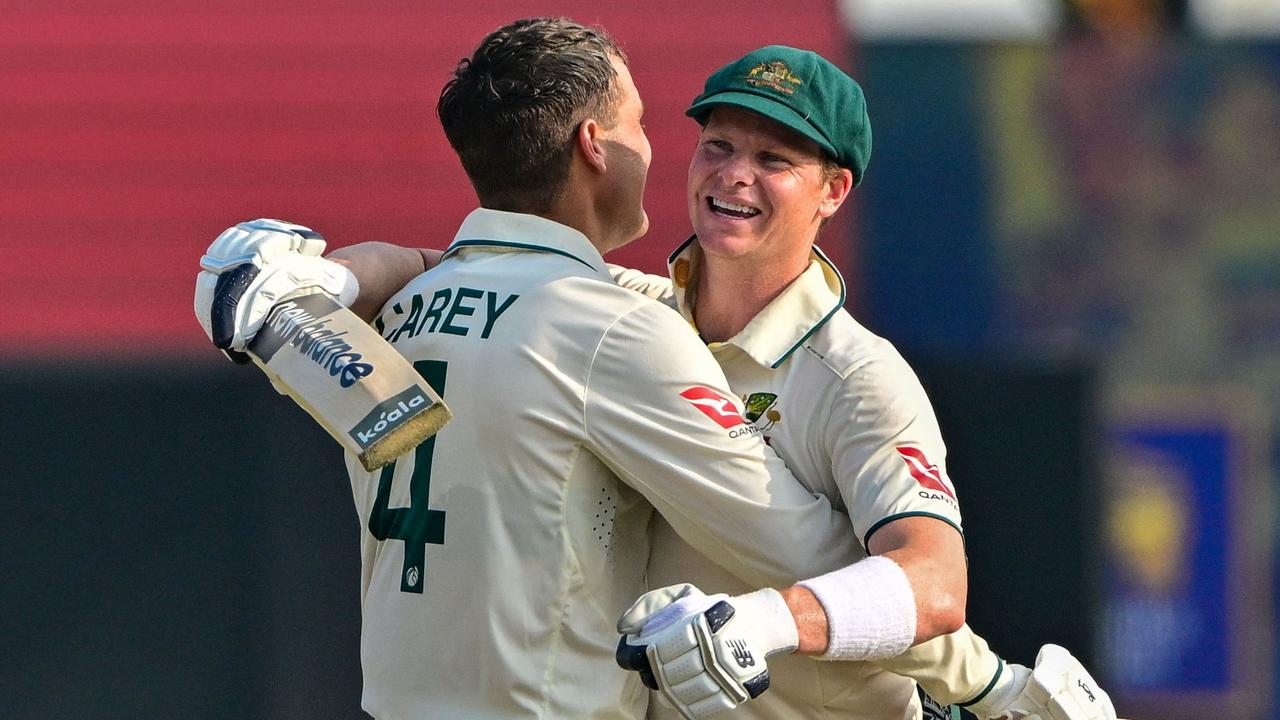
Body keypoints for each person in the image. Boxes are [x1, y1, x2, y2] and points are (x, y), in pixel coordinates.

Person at [195, 30, 1117, 720]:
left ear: (835, 192)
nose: (733, 175)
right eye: (717, 144)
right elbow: (462, 262)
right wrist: (335, 276)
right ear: (601, 144)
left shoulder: (858, 378)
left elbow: (931, 586)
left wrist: (778, 625)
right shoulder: (622, 311)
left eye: (776, 160)